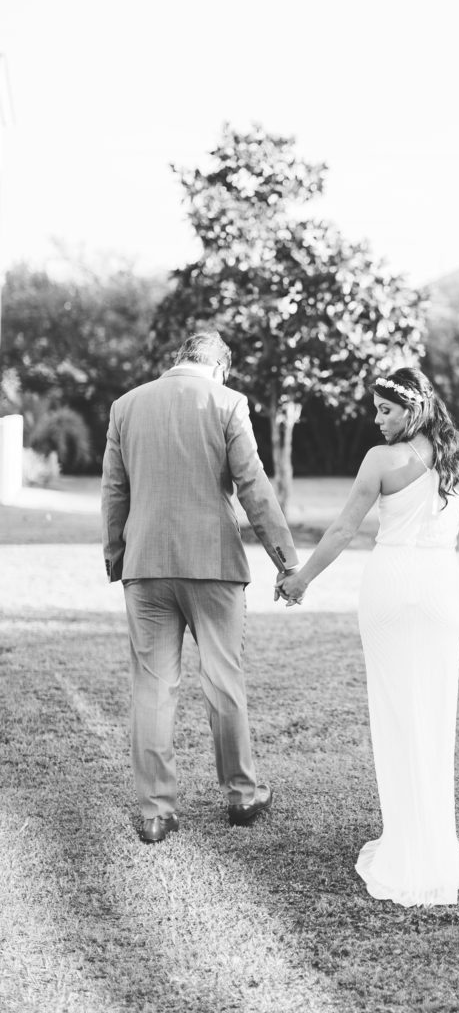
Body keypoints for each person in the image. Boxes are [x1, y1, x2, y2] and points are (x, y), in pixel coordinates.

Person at [278, 367, 459, 907]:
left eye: (386, 410)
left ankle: (406, 843)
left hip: (390, 586)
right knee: (435, 715)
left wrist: (302, 579)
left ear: (413, 408)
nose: (377, 420)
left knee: (396, 715)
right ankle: (430, 842)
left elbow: (344, 528)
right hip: (440, 590)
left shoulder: (381, 460)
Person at [101, 329, 299, 843]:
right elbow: (253, 486)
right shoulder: (228, 402)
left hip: (146, 565)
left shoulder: (126, 406)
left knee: (152, 686)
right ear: (220, 367)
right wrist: (285, 559)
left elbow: (115, 489)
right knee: (222, 679)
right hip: (213, 564)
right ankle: (242, 796)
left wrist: (117, 556)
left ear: (180, 359)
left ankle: (156, 811)